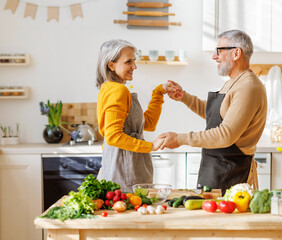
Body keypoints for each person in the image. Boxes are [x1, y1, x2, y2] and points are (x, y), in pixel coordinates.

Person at [159, 30, 267, 193]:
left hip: (231, 171)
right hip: (217, 167)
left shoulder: (248, 87)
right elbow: (217, 115)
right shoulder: (234, 82)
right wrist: (185, 97)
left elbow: (225, 134)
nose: (214, 56)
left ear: (236, 53)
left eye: (219, 51)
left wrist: (180, 138)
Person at [96, 39, 168, 192]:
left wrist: (158, 93)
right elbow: (113, 136)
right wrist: (151, 146)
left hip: (125, 164)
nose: (134, 66)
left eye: (134, 61)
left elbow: (148, 123)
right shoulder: (117, 91)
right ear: (111, 64)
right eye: (128, 62)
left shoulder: (111, 88)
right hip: (124, 168)